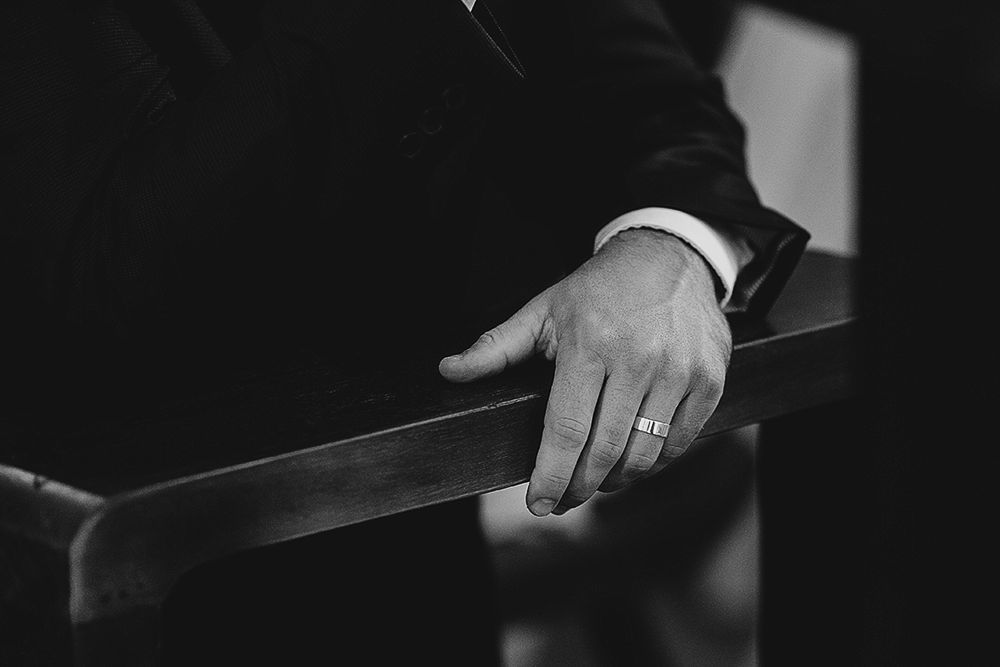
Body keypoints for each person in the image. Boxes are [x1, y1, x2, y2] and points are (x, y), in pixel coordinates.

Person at [1, 0, 808, 663]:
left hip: (408, 542)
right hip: (126, 576)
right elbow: (106, 269)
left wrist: (667, 247)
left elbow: (659, 95)